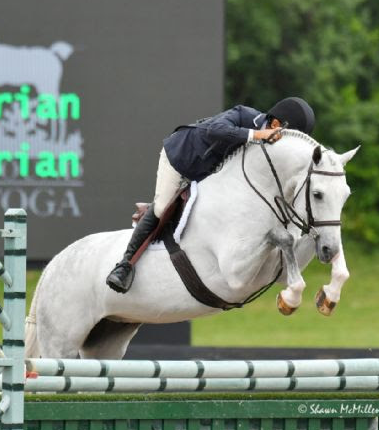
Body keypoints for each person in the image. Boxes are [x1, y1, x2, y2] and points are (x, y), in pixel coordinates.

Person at [105, 96, 316, 293]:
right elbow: (215, 130)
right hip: (181, 160)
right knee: (161, 208)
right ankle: (124, 265)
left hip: (209, 173)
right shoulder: (244, 115)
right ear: (276, 124)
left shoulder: (272, 145)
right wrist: (257, 135)